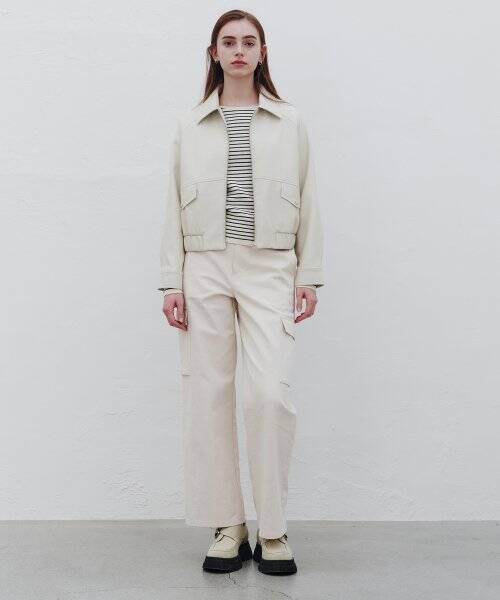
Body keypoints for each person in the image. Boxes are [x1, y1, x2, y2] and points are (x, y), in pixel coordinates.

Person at [158, 9, 324, 575]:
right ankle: (228, 524)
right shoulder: (189, 124)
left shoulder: (289, 121)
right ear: (214, 53)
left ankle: (273, 528)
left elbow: (309, 196)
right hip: (203, 264)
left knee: (268, 395)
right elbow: (170, 203)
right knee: (209, 394)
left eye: (248, 42)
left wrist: (308, 274)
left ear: (261, 53)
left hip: (269, 265)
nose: (238, 51)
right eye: (228, 42)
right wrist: (172, 280)